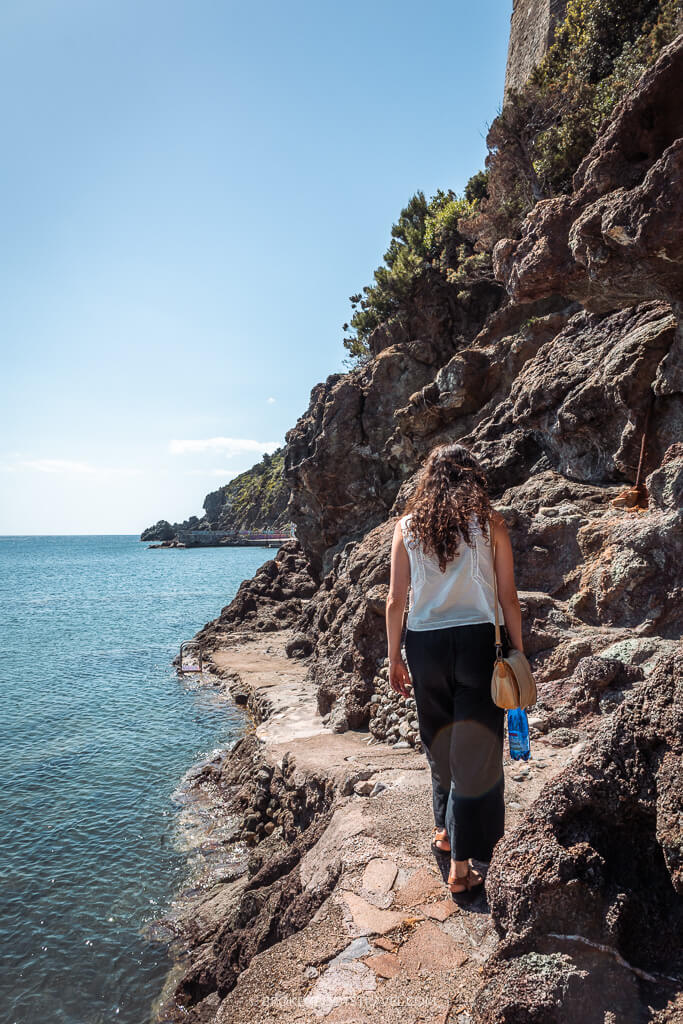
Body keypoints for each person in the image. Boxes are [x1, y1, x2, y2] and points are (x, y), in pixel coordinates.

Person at [385, 442, 524, 894]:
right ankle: (461, 869)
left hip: (424, 646)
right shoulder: (490, 523)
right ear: (473, 477)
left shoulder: (407, 526)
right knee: (475, 753)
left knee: (440, 742)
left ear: (430, 478)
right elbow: (508, 599)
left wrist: (393, 656)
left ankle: (446, 832)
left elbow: (394, 601)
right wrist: (517, 652)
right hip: (477, 644)